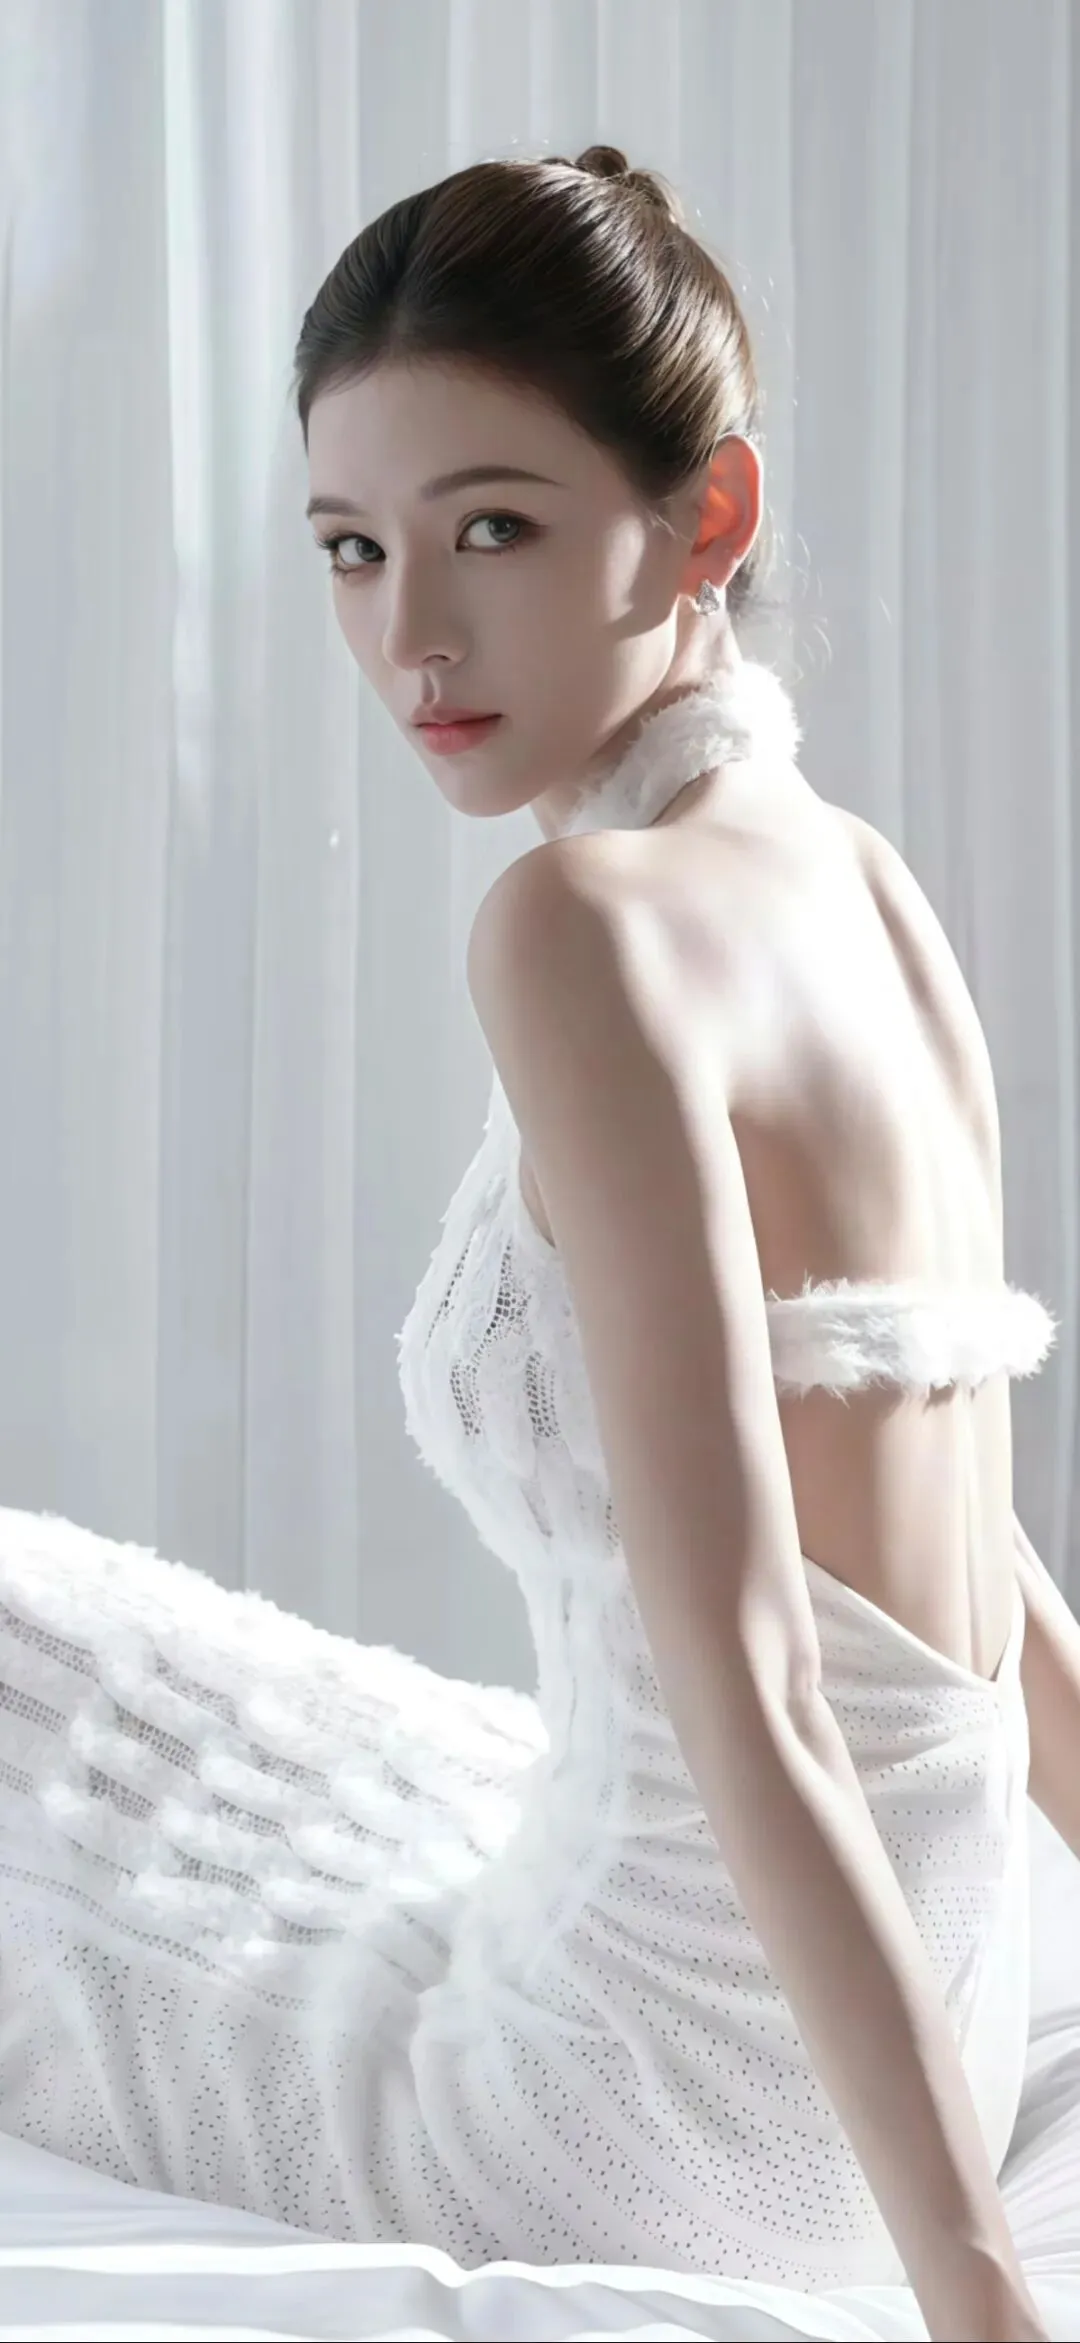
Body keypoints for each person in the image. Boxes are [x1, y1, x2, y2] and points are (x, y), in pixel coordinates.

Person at [0, 142, 1068, 2341]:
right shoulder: (862, 886)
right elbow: (993, 1587)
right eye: (352, 547)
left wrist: (981, 2300)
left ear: (708, 515)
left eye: (491, 527)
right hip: (929, 2021)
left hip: (665, 2108)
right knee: (130, 1664)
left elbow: (764, 1669)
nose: (410, 636)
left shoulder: (585, 926)